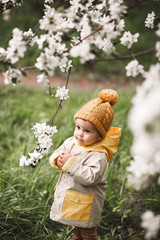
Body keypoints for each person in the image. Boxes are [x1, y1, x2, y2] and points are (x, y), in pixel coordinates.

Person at [49, 89, 121, 240]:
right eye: (78, 127)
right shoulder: (72, 142)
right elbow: (58, 152)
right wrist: (57, 159)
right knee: (76, 230)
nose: (80, 133)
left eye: (87, 131)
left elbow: (90, 177)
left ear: (100, 135)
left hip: (87, 203)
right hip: (73, 198)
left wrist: (69, 164)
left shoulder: (98, 154)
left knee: (88, 233)